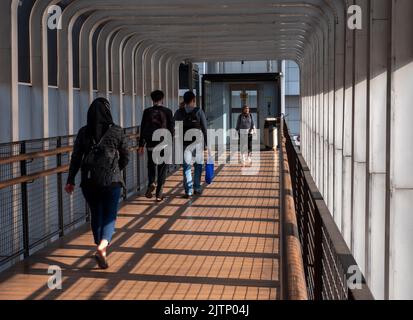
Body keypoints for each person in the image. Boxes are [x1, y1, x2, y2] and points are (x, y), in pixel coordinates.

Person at [65, 97, 129, 269]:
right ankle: (102, 247)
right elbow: (126, 156)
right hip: (112, 180)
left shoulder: (83, 132)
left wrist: (70, 179)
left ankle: (99, 246)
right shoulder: (117, 131)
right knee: (110, 215)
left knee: (96, 213)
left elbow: (76, 157)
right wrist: (117, 169)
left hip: (89, 180)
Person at [138, 90, 174, 202]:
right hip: (164, 143)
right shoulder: (168, 111)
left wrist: (141, 145)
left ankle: (151, 182)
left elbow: (142, 128)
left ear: (152, 99)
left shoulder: (147, 111)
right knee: (162, 167)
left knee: (151, 164)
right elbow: (171, 128)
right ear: (162, 99)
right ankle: (159, 194)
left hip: (150, 143)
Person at [173, 91, 208, 198]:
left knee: (187, 167)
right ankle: (197, 188)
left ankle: (188, 191)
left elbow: (175, 128)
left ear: (184, 100)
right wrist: (206, 144)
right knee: (198, 166)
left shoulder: (179, 112)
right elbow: (204, 128)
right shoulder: (199, 111)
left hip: (184, 144)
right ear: (193, 100)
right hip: (197, 143)